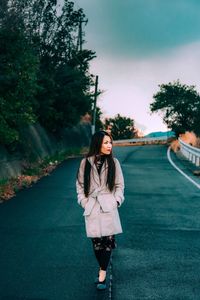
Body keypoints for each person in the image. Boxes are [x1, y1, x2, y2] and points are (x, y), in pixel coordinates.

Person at [76, 130, 125, 290]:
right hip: (92, 206)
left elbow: (119, 185)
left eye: (110, 142)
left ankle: (102, 273)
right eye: (105, 142)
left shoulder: (114, 163)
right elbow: (80, 185)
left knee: (108, 242)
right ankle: (101, 268)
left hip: (108, 205)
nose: (109, 145)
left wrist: (116, 201)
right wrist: (83, 201)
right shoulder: (85, 163)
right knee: (97, 244)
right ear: (97, 143)